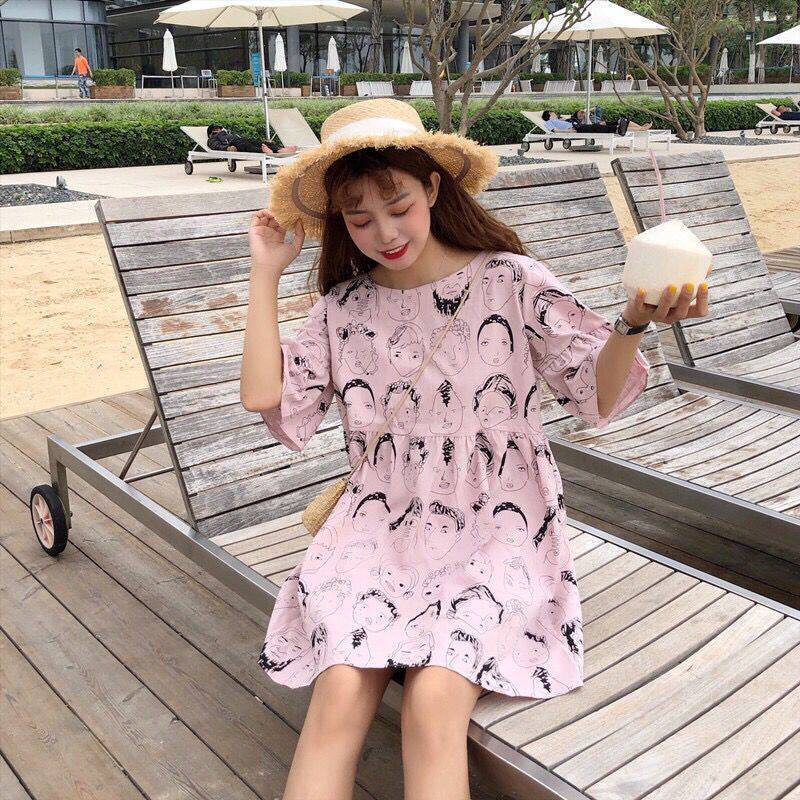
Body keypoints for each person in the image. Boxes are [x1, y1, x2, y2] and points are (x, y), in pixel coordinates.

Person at [240, 98, 709, 799]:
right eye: (359, 219)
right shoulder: (343, 309)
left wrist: (633, 323)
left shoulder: (511, 281)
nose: (384, 232)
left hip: (497, 532)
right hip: (378, 533)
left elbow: (595, 395)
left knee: (433, 703)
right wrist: (265, 273)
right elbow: (264, 397)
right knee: (337, 690)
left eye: (399, 205)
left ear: (433, 187)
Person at [205, 124, 298, 154]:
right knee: (247, 146)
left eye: (220, 128)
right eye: (217, 129)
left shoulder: (228, 133)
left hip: (240, 140)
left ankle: (279, 149)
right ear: (212, 132)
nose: (220, 130)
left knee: (257, 142)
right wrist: (227, 148)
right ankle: (263, 151)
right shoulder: (212, 138)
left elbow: (238, 137)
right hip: (234, 144)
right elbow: (216, 146)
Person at [542, 108, 630, 135]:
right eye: (553, 112)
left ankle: (617, 124)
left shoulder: (558, 119)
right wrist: (568, 131)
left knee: (595, 127)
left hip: (577, 126)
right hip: (574, 128)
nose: (555, 113)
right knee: (595, 127)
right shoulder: (549, 122)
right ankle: (616, 129)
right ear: (550, 114)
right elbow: (554, 130)